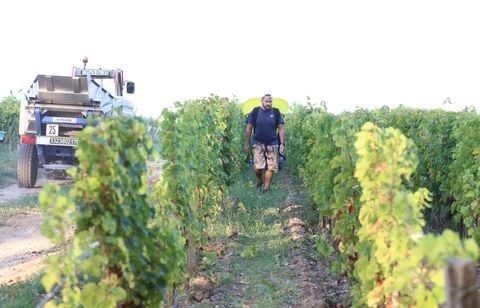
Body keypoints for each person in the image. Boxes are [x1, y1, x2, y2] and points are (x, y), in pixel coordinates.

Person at [244, 94, 285, 192]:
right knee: (258, 166)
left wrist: (282, 143)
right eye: (266, 101)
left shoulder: (276, 112)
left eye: (270, 101)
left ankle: (266, 189)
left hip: (273, 143)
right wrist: (246, 143)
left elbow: (281, 128)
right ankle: (259, 179)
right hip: (258, 142)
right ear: (262, 101)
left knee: (270, 167)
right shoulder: (255, 112)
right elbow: (249, 128)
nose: (268, 103)